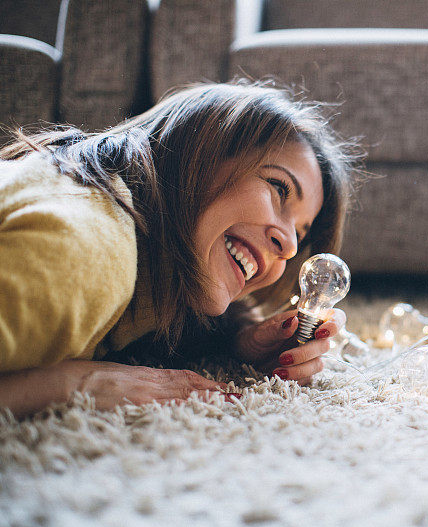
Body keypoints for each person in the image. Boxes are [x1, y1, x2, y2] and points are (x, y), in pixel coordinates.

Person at [0, 80, 358, 417]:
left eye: (299, 231)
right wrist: (77, 383)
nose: (290, 247)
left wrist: (240, 345)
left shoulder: (127, 228)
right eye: (279, 189)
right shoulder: (88, 255)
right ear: (200, 151)